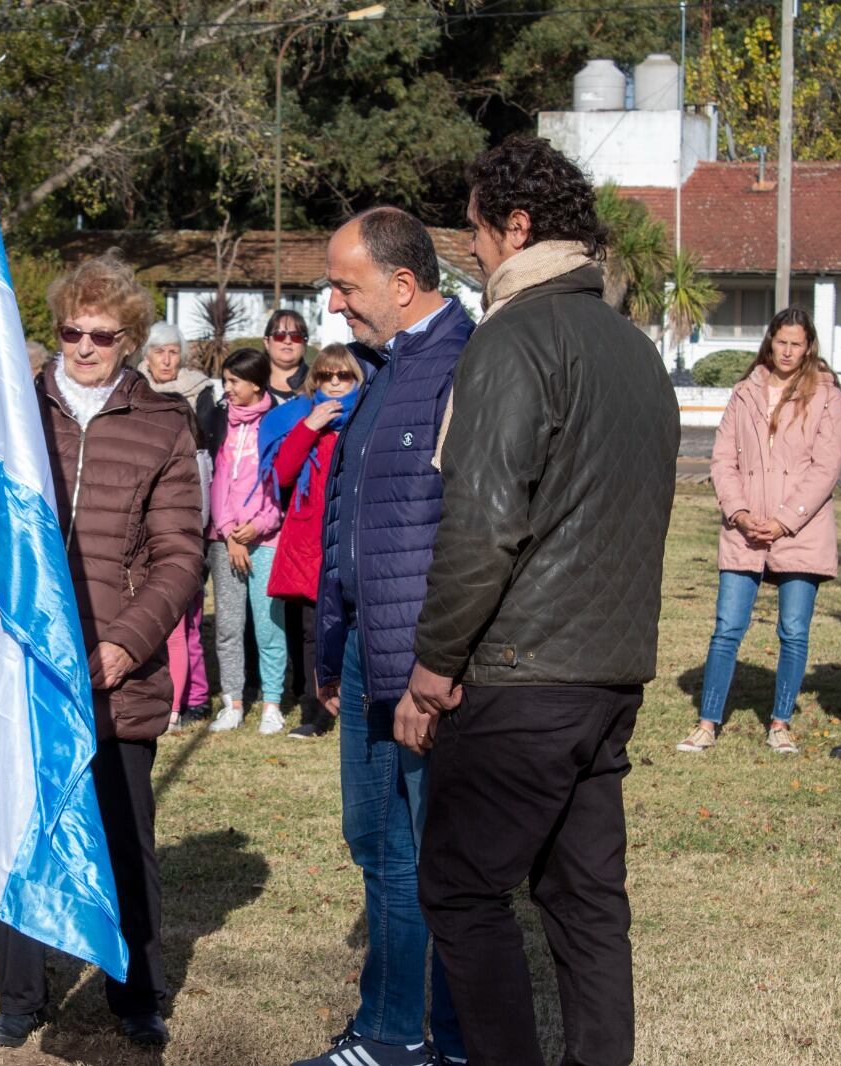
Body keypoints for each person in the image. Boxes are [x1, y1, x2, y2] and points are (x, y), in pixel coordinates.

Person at [408, 137, 679, 1066]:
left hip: (525, 674)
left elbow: (483, 525)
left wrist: (434, 667)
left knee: (458, 888)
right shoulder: (635, 350)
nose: (470, 251)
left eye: (476, 231)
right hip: (611, 673)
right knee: (584, 897)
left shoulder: (515, 337)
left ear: (516, 228)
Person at [0, 252, 201, 1051]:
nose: (82, 346)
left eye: (100, 334)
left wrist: (126, 643)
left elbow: (180, 554)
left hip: (111, 674)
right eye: (68, 332)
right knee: (16, 829)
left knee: (123, 838)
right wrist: (12, 614)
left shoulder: (164, 425)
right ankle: (21, 997)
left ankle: (137, 994)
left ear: (131, 338)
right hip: (13, 662)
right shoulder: (9, 414)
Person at [293, 208, 475, 1066]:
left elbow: (473, 533)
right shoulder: (377, 373)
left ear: (404, 286)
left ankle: (445, 1036)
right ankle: (392, 1029)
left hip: (425, 666)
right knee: (377, 844)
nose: (333, 306)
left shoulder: (463, 368)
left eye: (346, 286)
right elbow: (349, 525)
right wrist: (333, 650)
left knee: (438, 859)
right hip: (367, 654)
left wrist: (434, 668)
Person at [677, 309, 841, 756]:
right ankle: (707, 721)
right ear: (769, 342)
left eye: (797, 343)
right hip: (744, 531)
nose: (788, 351)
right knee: (727, 628)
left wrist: (786, 519)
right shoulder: (744, 392)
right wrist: (739, 512)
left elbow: (826, 467)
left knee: (793, 631)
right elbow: (722, 461)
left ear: (809, 346)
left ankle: (780, 722)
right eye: (781, 342)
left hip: (801, 531)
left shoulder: (827, 394)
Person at [260, 342, 361, 740]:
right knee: (309, 632)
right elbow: (282, 475)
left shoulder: (367, 418)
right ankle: (315, 710)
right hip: (307, 543)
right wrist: (309, 427)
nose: (334, 383)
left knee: (356, 628)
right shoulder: (304, 420)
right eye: (325, 376)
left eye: (343, 375)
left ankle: (355, 704)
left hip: (350, 540)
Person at [201, 346, 286, 735]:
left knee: (269, 627)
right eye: (226, 380)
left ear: (255, 383)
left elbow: (280, 484)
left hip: (265, 539)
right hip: (225, 539)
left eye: (234, 381)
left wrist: (258, 526)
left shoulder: (276, 422)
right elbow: (217, 482)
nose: (227, 388)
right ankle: (232, 702)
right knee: (229, 627)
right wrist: (229, 532)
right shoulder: (222, 420)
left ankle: (272, 703)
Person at [138, 320, 217, 729]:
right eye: (159, 352)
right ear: (146, 356)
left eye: (173, 351)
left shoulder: (200, 392)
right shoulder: (134, 389)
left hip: (185, 534)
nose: (166, 359)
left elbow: (202, 483)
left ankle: (194, 695)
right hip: (144, 538)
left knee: (186, 622)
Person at [263, 308, 311, 404]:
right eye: (279, 335)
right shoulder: (250, 380)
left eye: (296, 336)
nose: (288, 341)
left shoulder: (318, 382)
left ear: (304, 343)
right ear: (267, 342)